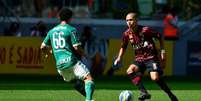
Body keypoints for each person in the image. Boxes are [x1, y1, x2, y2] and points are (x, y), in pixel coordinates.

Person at [114, 12, 178, 101]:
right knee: (129, 71)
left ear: (136, 20)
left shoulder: (145, 30)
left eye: (131, 20)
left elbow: (159, 37)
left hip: (151, 58)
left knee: (155, 78)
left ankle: (170, 95)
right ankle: (144, 92)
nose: (129, 22)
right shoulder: (126, 34)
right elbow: (123, 47)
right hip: (139, 59)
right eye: (127, 20)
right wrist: (119, 57)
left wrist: (163, 52)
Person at [40, 7, 95, 101]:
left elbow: (42, 47)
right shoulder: (71, 29)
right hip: (71, 61)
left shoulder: (51, 31)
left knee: (75, 81)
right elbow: (76, 47)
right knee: (88, 79)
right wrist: (86, 55)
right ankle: (88, 100)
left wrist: (47, 53)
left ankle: (86, 96)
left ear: (59, 17)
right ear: (70, 18)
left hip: (60, 66)